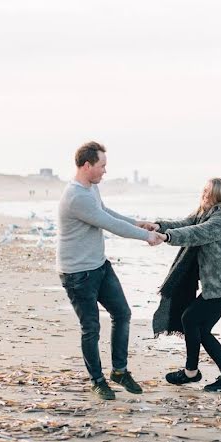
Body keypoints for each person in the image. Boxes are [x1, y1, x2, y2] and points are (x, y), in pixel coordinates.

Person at [56, 141, 165, 401]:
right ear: (86, 165)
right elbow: (108, 224)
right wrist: (145, 237)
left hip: (98, 265)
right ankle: (97, 380)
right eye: (102, 166)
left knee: (122, 313)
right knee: (91, 327)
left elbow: (106, 213)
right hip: (77, 273)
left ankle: (119, 371)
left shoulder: (90, 189)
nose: (105, 171)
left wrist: (137, 223)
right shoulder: (76, 197)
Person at [144, 178, 221, 392]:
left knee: (191, 319)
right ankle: (216, 376)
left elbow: (196, 233)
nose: (203, 194)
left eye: (208, 191)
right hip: (218, 286)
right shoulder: (205, 212)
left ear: (219, 195)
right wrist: (159, 226)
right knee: (198, 326)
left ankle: (200, 374)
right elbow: (186, 224)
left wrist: (166, 237)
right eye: (203, 190)